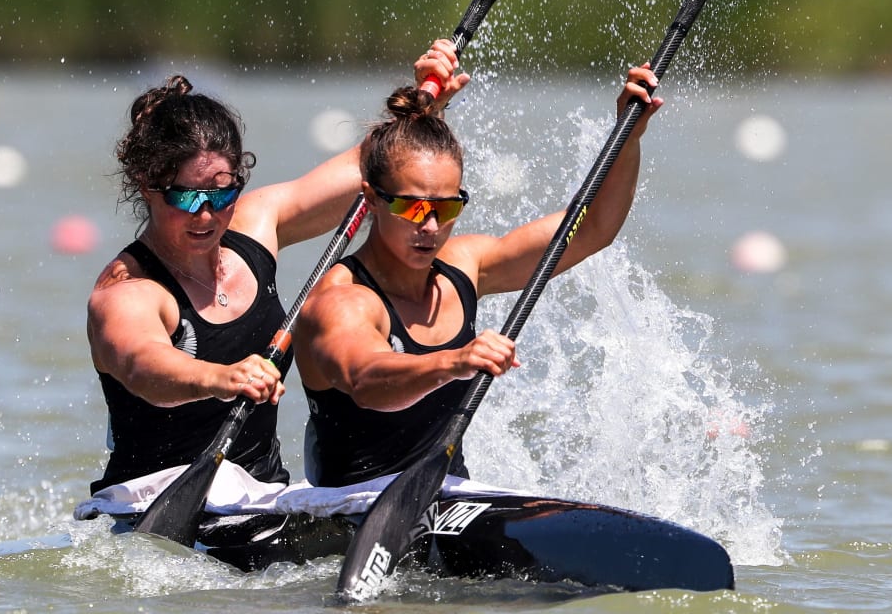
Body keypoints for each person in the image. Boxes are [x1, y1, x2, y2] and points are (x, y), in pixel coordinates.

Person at [84, 39, 471, 496]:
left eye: (223, 192)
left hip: (260, 502)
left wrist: (426, 107)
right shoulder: (128, 290)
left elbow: (377, 168)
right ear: (145, 184)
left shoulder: (255, 225)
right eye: (186, 196)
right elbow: (141, 365)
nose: (206, 214)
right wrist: (219, 377)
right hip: (151, 503)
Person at [294, 62, 663, 488]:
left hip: (447, 500)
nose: (430, 226)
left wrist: (629, 135)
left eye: (446, 207)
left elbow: (593, 228)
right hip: (353, 509)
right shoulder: (342, 300)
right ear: (372, 200)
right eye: (413, 207)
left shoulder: (465, 266)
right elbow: (365, 379)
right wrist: (454, 362)